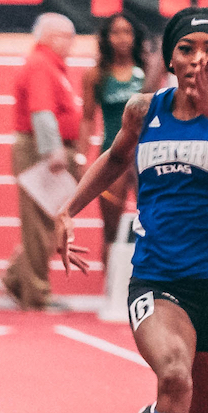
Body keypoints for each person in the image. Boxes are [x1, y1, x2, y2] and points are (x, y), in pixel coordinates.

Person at [56, 6, 208, 413]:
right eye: (186, 48)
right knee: (174, 374)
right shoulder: (143, 110)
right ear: (169, 57)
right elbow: (115, 158)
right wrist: (69, 209)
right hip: (157, 279)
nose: (197, 59)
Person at [0, 13, 83, 310]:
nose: (70, 43)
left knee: (45, 223)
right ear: (48, 36)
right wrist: (53, 150)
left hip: (44, 148)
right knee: (40, 225)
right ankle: (36, 293)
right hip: (40, 150)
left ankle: (14, 279)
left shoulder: (49, 65)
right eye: (65, 36)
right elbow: (42, 112)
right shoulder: (41, 65)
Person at [78, 12, 149, 266]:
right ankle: (110, 289)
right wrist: (80, 156)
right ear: (106, 38)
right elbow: (87, 118)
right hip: (112, 155)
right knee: (111, 229)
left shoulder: (147, 72)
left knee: (151, 222)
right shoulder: (96, 75)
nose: (122, 38)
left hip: (146, 157)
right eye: (116, 32)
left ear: (136, 37)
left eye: (127, 32)